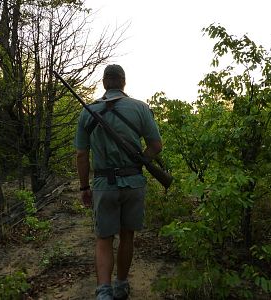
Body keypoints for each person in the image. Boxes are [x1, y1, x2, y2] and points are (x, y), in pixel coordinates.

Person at [74, 64, 162, 300]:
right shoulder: (141, 108)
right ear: (124, 82)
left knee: (103, 239)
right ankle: (121, 286)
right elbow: (156, 146)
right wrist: (139, 161)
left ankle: (104, 293)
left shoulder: (87, 112)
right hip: (134, 183)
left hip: (103, 186)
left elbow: (81, 155)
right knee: (127, 237)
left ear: (104, 83)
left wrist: (84, 187)